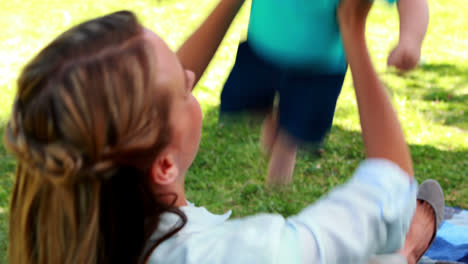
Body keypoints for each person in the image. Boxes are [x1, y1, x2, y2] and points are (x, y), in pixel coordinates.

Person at [4, 0, 443, 263]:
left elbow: (144, 103)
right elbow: (387, 188)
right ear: (163, 165)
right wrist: (352, 30)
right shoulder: (243, 254)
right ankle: (402, 252)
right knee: (385, 244)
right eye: (182, 88)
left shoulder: (67, 226)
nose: (192, 75)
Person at [220, 0, 429, 185]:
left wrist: (410, 40)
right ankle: (277, 118)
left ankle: (277, 183)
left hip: (319, 69)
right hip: (262, 49)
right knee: (244, 103)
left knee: (296, 133)